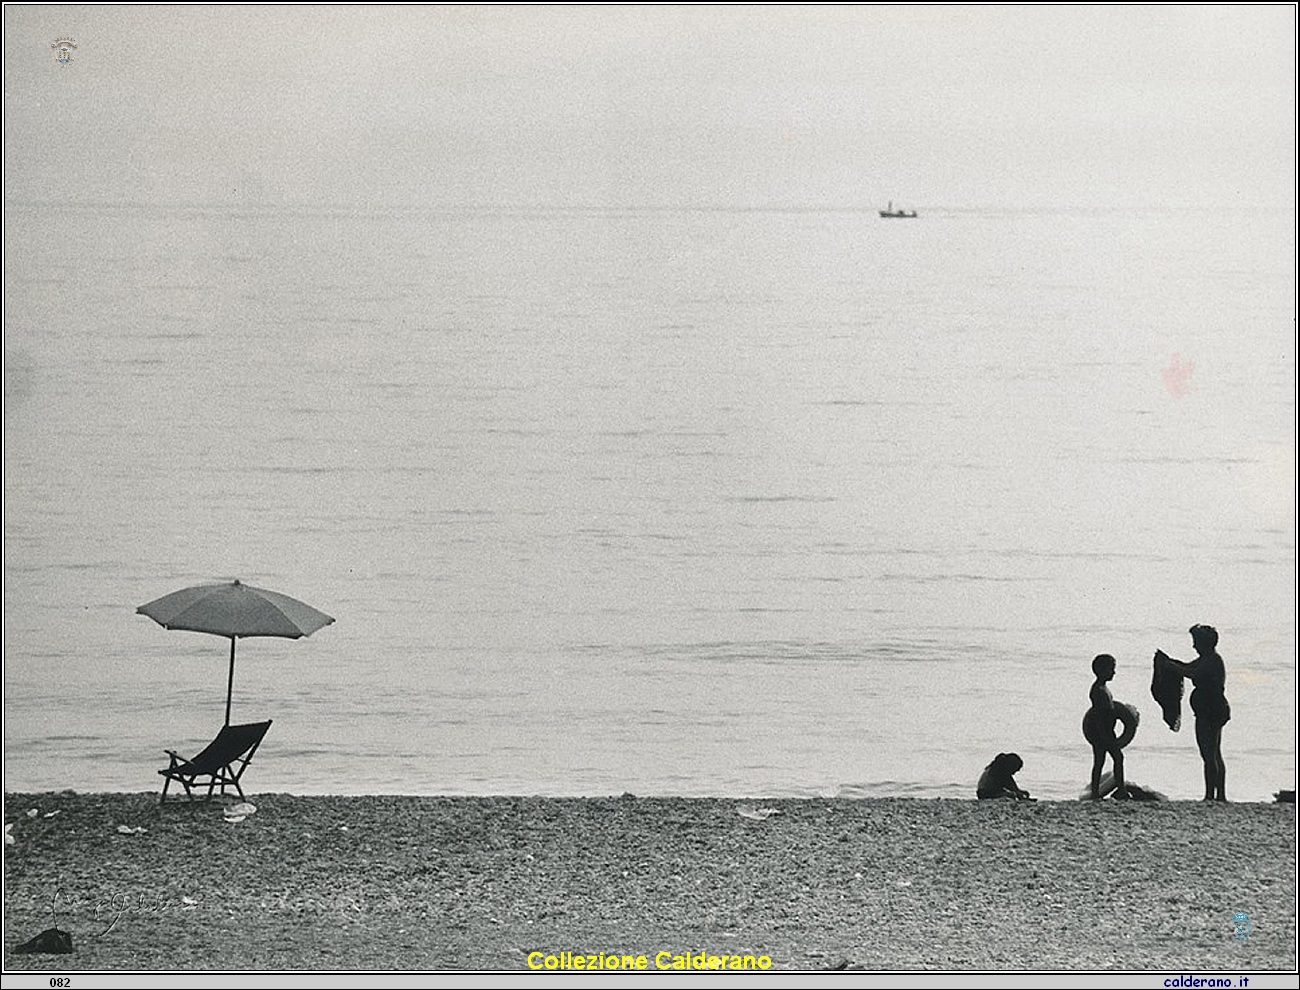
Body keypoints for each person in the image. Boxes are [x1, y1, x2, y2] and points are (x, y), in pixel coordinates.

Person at [1154, 624, 1229, 802]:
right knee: (1213, 752)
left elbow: (1191, 673)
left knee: (1209, 753)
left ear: (1205, 643)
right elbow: (1187, 666)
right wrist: (1170, 662)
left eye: (1196, 642)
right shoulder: (1207, 658)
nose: (1193, 646)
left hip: (1211, 710)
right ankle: (1218, 795)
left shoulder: (1212, 660)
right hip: (1210, 709)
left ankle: (1212, 795)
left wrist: (1169, 666)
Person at [1083, 654, 1131, 800]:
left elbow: (1111, 711)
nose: (1114, 672)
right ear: (1102, 671)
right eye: (1111, 669)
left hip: (1106, 730)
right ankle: (1119, 791)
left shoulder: (1104, 688)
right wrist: (1103, 735)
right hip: (1102, 731)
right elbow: (1099, 715)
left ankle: (1098, 792)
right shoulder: (1098, 690)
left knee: (1100, 761)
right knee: (1115, 758)